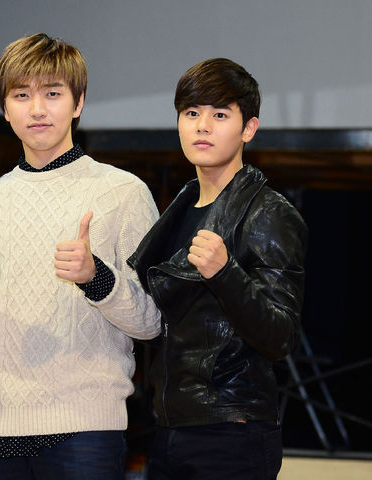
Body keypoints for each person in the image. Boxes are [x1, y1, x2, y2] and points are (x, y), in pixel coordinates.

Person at [0, 33, 161, 479]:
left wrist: (96, 278)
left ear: (78, 103)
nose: (37, 109)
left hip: (85, 428)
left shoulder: (122, 193)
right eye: (22, 95)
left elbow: (152, 321)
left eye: (52, 94)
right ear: (5, 108)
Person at [128, 58, 308, 480]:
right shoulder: (180, 208)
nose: (202, 126)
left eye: (220, 115)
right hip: (169, 426)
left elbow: (281, 336)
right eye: (191, 113)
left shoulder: (269, 213)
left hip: (232, 429)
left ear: (249, 128)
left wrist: (226, 274)